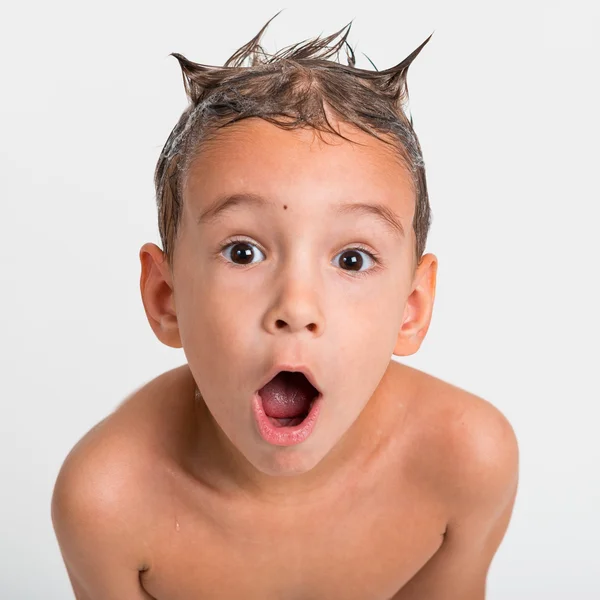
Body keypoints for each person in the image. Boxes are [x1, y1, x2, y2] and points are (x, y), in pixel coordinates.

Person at [51, 13, 519, 599]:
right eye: (243, 252)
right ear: (166, 298)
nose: (296, 306)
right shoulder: (110, 501)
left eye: (351, 259)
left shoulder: (464, 461)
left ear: (412, 307)